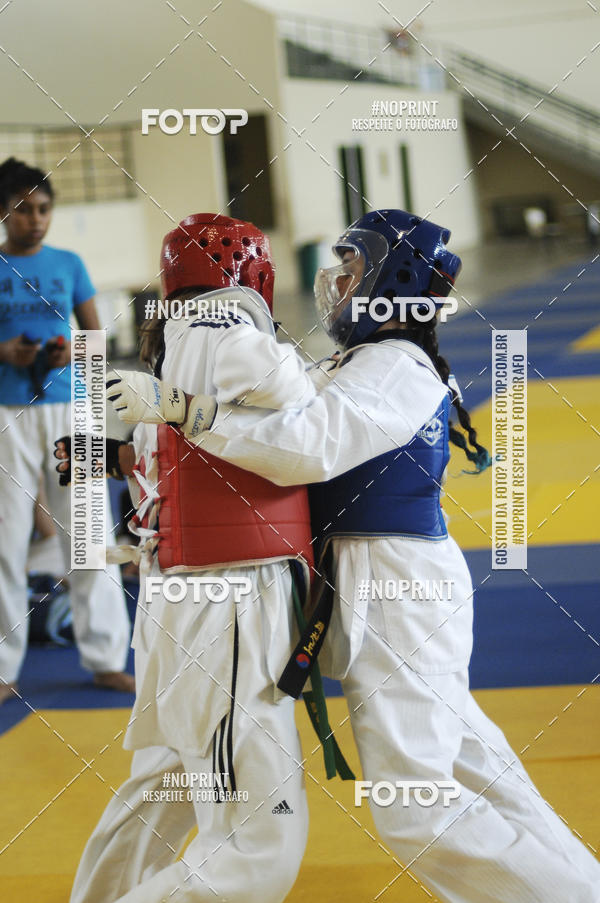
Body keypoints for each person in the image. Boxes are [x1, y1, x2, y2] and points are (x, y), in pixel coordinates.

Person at [112, 209, 600, 902]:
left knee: (418, 810)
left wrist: (190, 410)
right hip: (375, 590)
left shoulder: (399, 367)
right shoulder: (359, 361)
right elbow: (281, 413)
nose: (335, 289)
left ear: (391, 282)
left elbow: (305, 448)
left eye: (351, 274)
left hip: (399, 597)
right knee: (478, 768)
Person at [59, 214, 352, 903]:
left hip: (188, 603)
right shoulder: (224, 333)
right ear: (249, 273)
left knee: (159, 792)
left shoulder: (175, 342)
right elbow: (292, 391)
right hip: (225, 609)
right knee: (259, 837)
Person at [0, 157, 133, 703]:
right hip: (7, 415)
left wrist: (64, 353)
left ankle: (105, 657)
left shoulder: (69, 263)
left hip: (69, 411)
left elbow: (97, 342)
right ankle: (5, 668)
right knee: (6, 542)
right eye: (24, 209)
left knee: (90, 538)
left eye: (44, 209)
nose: (36, 219)